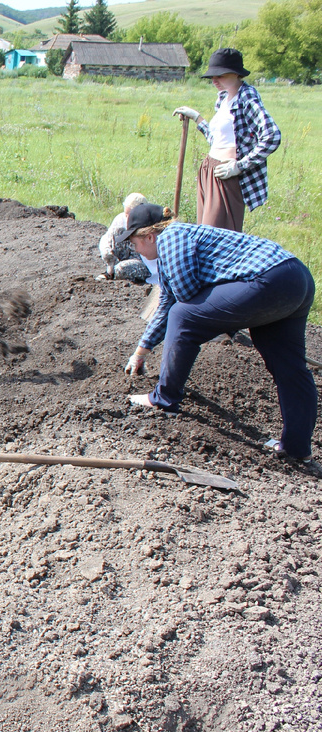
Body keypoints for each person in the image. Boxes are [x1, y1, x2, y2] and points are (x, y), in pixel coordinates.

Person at [119, 203, 316, 466]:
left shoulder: (171, 238)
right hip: (294, 278)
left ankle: (163, 399)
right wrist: (142, 350)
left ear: (149, 236)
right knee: (290, 367)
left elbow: (183, 301)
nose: (135, 250)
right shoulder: (180, 239)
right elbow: (169, 299)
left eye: (134, 242)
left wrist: (216, 322)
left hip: (265, 280)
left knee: (182, 315)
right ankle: (296, 447)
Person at [173, 48, 280, 233]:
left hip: (226, 175)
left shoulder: (246, 98)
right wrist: (197, 118)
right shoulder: (223, 98)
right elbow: (218, 140)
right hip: (209, 169)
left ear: (237, 74)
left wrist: (240, 166)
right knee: (204, 233)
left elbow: (272, 136)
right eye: (212, 76)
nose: (215, 80)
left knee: (217, 239)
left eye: (220, 75)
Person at [97, 193, 151, 283]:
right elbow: (107, 238)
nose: (126, 217)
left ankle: (119, 272)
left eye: (129, 215)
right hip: (124, 258)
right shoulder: (120, 219)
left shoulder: (148, 224)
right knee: (118, 231)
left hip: (143, 262)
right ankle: (110, 272)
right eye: (126, 214)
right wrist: (106, 251)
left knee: (121, 268)